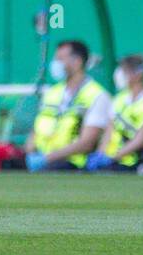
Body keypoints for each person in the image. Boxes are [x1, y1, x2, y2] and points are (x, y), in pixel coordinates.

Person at [24, 39, 113, 171]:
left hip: (71, 164)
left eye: (60, 59)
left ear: (77, 62)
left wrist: (46, 159)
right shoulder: (52, 93)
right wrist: (29, 153)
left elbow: (87, 143)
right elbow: (35, 131)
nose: (55, 64)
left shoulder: (97, 96)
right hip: (40, 159)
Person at [86, 54, 143, 171]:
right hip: (117, 162)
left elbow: (142, 139)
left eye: (124, 71)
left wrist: (112, 158)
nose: (119, 75)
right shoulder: (119, 100)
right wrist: (100, 154)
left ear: (139, 74)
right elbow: (109, 133)